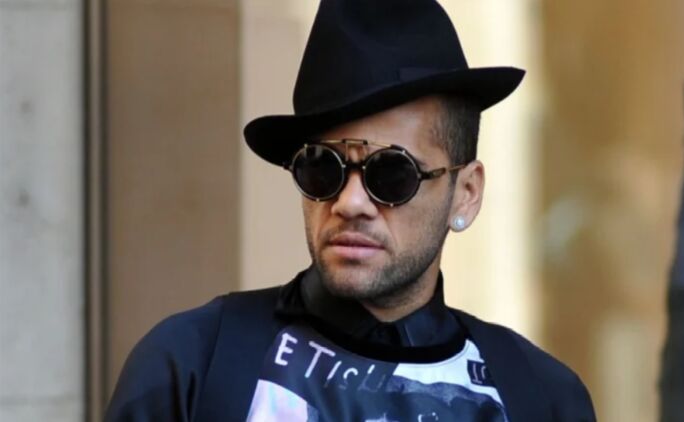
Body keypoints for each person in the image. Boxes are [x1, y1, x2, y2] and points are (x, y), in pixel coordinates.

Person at [106, 0, 596, 421]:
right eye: (323, 169)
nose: (350, 203)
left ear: (465, 193)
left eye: (392, 174)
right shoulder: (191, 364)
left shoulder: (540, 397)